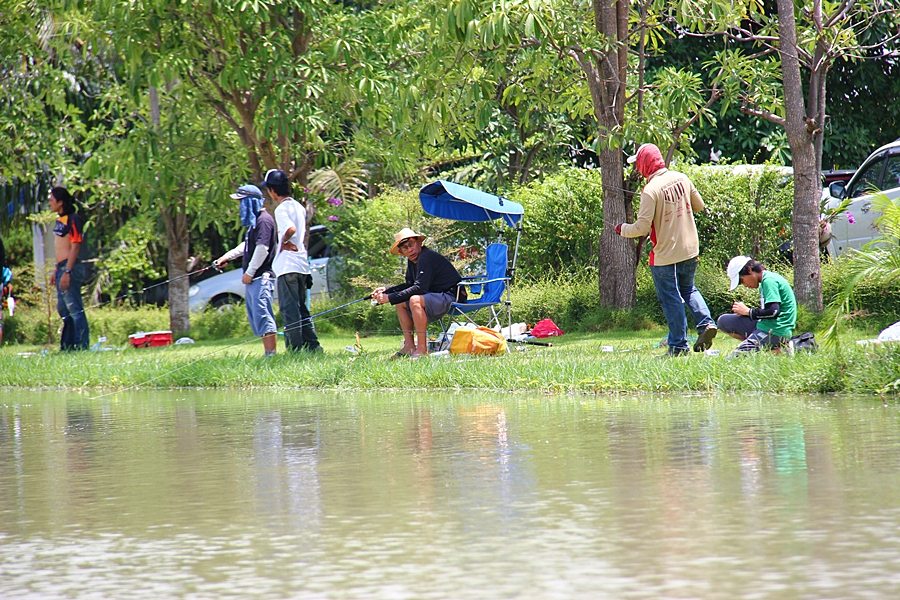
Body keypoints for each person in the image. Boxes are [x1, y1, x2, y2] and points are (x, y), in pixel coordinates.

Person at [615, 143, 717, 356]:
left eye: (638, 164)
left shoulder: (650, 190)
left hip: (665, 254)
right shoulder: (681, 177)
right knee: (689, 289)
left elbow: (642, 228)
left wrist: (621, 229)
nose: (637, 169)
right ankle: (706, 323)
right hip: (690, 248)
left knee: (671, 297)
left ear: (645, 163)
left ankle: (679, 346)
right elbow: (698, 206)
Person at [371, 228, 464, 358]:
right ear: (402, 252)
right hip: (435, 296)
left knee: (415, 299)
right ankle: (409, 346)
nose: (409, 249)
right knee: (400, 303)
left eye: (411, 244)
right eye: (405, 248)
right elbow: (410, 284)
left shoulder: (427, 257)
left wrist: (389, 297)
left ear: (419, 243)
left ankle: (421, 350)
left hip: (452, 296)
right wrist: (386, 290)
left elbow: (420, 288)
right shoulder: (412, 261)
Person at [261, 169, 322, 353]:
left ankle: (295, 350)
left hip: (287, 266)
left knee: (289, 310)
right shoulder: (298, 206)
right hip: (302, 265)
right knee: (302, 308)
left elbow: (290, 229)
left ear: (272, 190)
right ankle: (313, 346)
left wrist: (284, 243)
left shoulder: (281, 209)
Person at [214, 184, 279, 357]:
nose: (240, 206)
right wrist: (227, 256)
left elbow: (262, 248)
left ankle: (271, 355)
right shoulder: (255, 222)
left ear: (251, 201)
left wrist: (249, 272)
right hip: (254, 278)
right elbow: (248, 245)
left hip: (261, 277)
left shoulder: (264, 220)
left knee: (263, 314)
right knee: (256, 316)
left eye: (242, 202)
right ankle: (267, 353)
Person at [718, 256, 797, 355]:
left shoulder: (769, 281)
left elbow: (773, 311)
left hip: (775, 330)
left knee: (735, 357)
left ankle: (778, 349)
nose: (744, 285)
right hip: (766, 325)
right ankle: (762, 347)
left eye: (742, 281)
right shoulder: (764, 282)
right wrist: (746, 313)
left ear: (749, 270)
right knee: (724, 321)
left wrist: (748, 312)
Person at [48, 186, 90, 350]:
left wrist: (67, 271)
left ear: (60, 202)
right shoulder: (60, 220)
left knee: (74, 308)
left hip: (69, 267)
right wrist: (56, 270)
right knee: (63, 308)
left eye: (52, 199)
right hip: (60, 268)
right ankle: (68, 345)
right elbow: (60, 247)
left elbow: (75, 245)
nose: (50, 203)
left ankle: (82, 345)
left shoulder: (73, 219)